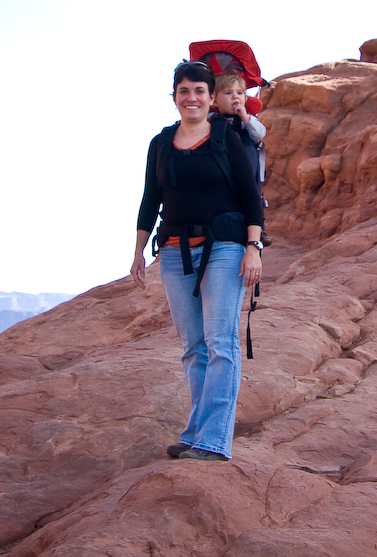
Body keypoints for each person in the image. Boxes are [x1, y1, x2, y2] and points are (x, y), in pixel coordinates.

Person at [131, 60, 264, 462]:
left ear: (210, 97)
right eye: (184, 91)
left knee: (221, 342)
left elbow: (250, 197)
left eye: (200, 91)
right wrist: (137, 250)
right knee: (193, 347)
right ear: (174, 97)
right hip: (172, 251)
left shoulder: (227, 137)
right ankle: (196, 432)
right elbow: (150, 199)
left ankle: (214, 440)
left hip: (223, 248)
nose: (192, 98)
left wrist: (253, 247)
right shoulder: (160, 143)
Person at [212, 71, 266, 191]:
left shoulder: (247, 120)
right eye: (228, 92)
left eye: (239, 93)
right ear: (214, 100)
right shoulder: (211, 120)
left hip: (246, 173)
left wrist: (246, 118)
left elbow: (260, 133)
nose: (235, 96)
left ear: (245, 99)